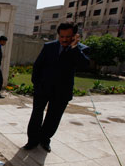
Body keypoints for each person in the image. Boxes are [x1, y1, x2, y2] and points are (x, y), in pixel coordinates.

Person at [23, 22, 90, 152]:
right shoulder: (49, 47)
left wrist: (74, 47)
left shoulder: (81, 49)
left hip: (62, 91)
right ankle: (32, 140)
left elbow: (84, 65)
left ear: (75, 36)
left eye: (68, 37)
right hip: (43, 88)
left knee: (53, 118)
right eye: (62, 36)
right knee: (36, 115)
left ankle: (45, 139)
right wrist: (36, 84)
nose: (64, 39)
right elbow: (38, 66)